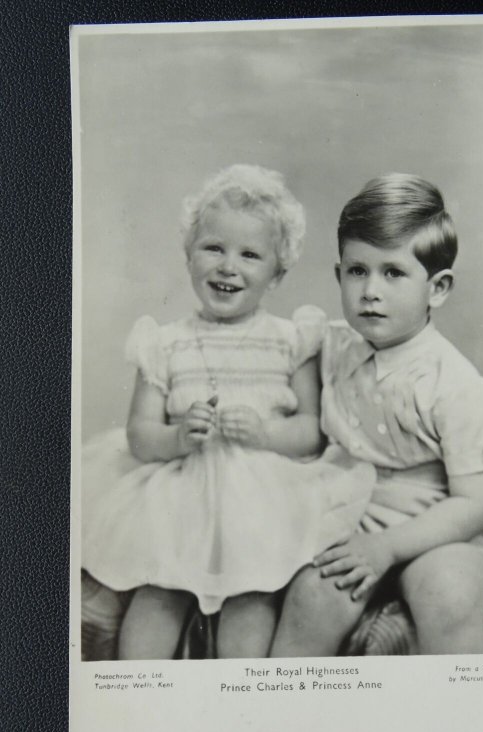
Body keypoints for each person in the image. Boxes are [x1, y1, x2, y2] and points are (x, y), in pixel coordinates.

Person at [82, 165, 373, 660]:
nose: (228, 267)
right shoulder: (164, 343)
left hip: (261, 498)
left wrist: (264, 433)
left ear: (277, 274)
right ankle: (139, 700)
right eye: (213, 248)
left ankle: (239, 704)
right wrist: (177, 439)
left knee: (253, 591)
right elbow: (139, 434)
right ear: (189, 254)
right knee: (158, 589)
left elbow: (311, 433)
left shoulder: (289, 340)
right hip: (178, 494)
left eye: (250, 255)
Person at [270, 173, 483, 657]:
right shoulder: (329, 347)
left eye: (393, 273)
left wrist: (389, 549)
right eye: (358, 271)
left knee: (448, 589)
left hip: (438, 529)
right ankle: (283, 718)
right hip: (347, 518)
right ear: (339, 276)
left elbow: (475, 503)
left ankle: (462, 720)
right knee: (311, 595)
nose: (370, 291)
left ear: (437, 288)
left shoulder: (455, 384)